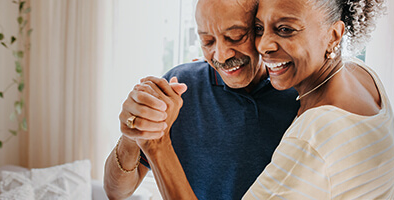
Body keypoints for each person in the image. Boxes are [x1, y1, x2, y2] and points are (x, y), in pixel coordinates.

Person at [121, 0, 394, 199]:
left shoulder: (311, 134)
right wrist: (133, 133)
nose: (264, 45)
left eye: (285, 29)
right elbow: (117, 190)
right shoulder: (364, 77)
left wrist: (157, 144)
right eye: (260, 28)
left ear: (335, 35)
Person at [103, 0, 300, 199]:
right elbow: (116, 192)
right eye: (208, 41)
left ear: (261, 29)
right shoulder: (179, 86)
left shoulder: (300, 97)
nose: (221, 56)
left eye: (235, 37)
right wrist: (131, 136)